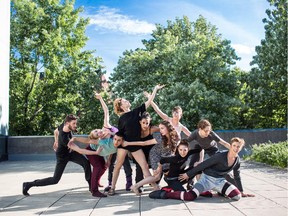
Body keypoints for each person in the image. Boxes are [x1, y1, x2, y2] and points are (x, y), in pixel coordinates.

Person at [149, 137, 255, 201]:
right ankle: (165, 194)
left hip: (219, 181)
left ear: (240, 148)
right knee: (190, 197)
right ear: (230, 146)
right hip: (206, 180)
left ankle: (220, 191)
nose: (236, 148)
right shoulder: (220, 156)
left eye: (238, 147)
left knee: (237, 196)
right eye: (234, 146)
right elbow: (203, 165)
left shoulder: (237, 160)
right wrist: (188, 174)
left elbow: (237, 175)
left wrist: (241, 191)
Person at [108, 85, 163, 195]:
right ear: (121, 106)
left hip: (135, 145)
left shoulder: (136, 111)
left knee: (145, 166)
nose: (127, 101)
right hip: (124, 144)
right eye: (124, 101)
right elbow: (120, 132)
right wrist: (116, 140)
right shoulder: (122, 118)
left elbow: (149, 101)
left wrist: (155, 89)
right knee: (118, 165)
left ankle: (155, 186)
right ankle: (112, 187)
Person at [22, 114, 92, 196]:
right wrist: (96, 152)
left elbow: (55, 131)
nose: (75, 125)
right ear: (67, 123)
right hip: (62, 156)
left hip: (70, 152)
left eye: (76, 123)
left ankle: (91, 186)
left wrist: (56, 141)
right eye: (74, 123)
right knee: (55, 180)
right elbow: (80, 150)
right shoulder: (64, 138)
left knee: (86, 163)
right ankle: (28, 184)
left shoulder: (63, 125)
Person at [129, 120, 179, 195]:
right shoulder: (160, 137)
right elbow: (144, 143)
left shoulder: (175, 136)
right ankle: (136, 186)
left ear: (168, 128)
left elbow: (175, 149)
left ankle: (155, 187)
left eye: (162, 128)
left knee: (166, 175)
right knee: (157, 177)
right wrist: (128, 143)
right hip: (156, 156)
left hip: (166, 157)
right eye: (159, 128)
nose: (160, 130)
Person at [134, 112, 160, 192]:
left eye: (147, 123)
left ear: (150, 121)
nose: (145, 125)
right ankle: (139, 185)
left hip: (150, 150)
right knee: (140, 166)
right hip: (139, 149)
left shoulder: (151, 129)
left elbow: (164, 129)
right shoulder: (136, 130)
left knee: (156, 166)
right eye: (143, 123)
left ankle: (153, 182)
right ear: (140, 122)